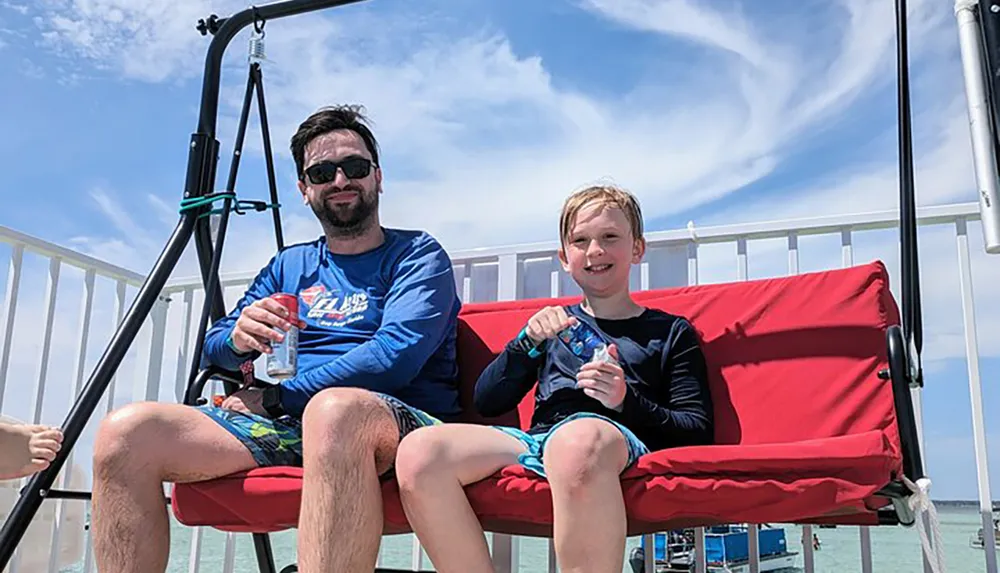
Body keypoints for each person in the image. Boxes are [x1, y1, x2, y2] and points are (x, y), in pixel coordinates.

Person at [90, 105, 463, 573]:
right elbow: (215, 343)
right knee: (126, 433)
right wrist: (240, 338)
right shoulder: (289, 265)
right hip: (294, 423)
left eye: (356, 166)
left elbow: (395, 356)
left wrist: (275, 398)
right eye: (322, 172)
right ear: (305, 190)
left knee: (337, 411)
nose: (341, 179)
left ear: (378, 177)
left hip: (401, 424)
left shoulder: (416, 255)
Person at [394, 184, 714, 573]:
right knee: (419, 452)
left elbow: (696, 430)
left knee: (576, 441)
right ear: (565, 258)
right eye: (580, 241)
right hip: (541, 442)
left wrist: (623, 401)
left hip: (611, 440)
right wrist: (524, 342)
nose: (594, 250)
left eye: (609, 237)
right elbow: (488, 401)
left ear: (637, 249)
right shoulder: (553, 329)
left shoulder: (670, 332)